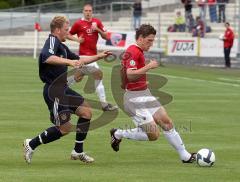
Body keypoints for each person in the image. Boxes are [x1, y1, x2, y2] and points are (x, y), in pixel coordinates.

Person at [23, 15, 111, 164]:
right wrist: (70, 62)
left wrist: (99, 56)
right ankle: (31, 144)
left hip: (63, 89)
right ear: (57, 30)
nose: (68, 32)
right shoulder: (52, 40)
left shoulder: (62, 46)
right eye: (66, 29)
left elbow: (79, 60)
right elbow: (47, 57)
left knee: (86, 112)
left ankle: (77, 151)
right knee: (65, 128)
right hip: (54, 91)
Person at [110, 24, 196, 163]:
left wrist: (123, 83)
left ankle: (185, 156)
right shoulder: (133, 51)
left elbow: (123, 71)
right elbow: (130, 74)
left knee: (166, 122)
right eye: (149, 40)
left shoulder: (136, 51)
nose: (151, 43)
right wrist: (149, 66)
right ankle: (118, 133)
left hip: (144, 93)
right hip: (134, 99)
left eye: (152, 40)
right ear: (140, 38)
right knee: (154, 134)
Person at [67, 4, 118, 112]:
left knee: (78, 77)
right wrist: (77, 40)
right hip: (84, 56)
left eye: (89, 11)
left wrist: (97, 29)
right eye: (86, 11)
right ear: (83, 11)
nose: (88, 12)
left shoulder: (97, 22)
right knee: (98, 75)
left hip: (93, 56)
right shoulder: (78, 23)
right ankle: (104, 105)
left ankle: (60, 89)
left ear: (92, 11)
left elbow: (106, 36)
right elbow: (68, 34)